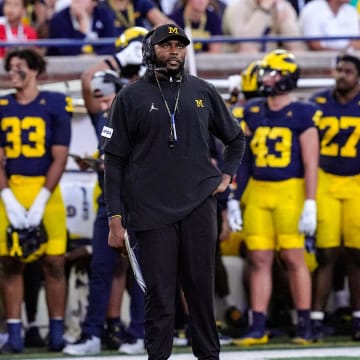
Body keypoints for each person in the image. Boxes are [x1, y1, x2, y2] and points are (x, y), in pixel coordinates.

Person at [100, 23, 246, 359]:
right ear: (150, 50)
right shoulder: (129, 97)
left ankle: (209, 357)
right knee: (160, 296)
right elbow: (115, 161)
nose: (175, 51)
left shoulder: (203, 90)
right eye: (167, 45)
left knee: (200, 293)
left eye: (180, 45)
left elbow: (236, 139)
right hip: (150, 210)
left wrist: (225, 175)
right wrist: (115, 218)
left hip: (198, 205)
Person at [62, 27, 148, 356]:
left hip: (141, 199)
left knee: (142, 269)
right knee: (101, 268)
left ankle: (141, 331)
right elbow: (88, 78)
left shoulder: (149, 103)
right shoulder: (106, 108)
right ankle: (92, 335)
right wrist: (116, 60)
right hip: (109, 199)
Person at [231, 49, 320, 346]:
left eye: (272, 72)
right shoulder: (253, 110)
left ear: (287, 78)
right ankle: (258, 326)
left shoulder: (304, 112)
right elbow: (243, 159)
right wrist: (234, 197)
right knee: (258, 258)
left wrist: (310, 201)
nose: (265, 77)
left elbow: (310, 162)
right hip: (259, 189)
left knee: (294, 258)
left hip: (290, 190)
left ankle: (304, 324)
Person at [0, 48, 73, 353]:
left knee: (55, 262)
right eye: (10, 67)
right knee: (9, 262)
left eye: (19, 67)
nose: (13, 73)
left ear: (34, 70)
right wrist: (7, 196)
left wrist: (42, 197)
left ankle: (56, 331)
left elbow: (60, 155)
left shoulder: (54, 103)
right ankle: (14, 333)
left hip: (47, 190)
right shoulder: (2, 105)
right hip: (12, 188)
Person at [308, 54, 360, 341]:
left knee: (357, 254)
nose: (341, 75)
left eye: (348, 71)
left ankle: (357, 318)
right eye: (338, 70)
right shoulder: (317, 103)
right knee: (325, 254)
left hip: (356, 182)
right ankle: (316, 318)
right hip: (325, 180)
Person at [222, 0, 305, 53]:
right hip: (239, 58)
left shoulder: (282, 5)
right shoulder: (237, 8)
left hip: (272, 58)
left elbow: (295, 42)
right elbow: (245, 43)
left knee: (297, 51)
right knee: (248, 51)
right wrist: (264, 10)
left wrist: (284, 20)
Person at [47, 0, 116, 56]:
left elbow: (111, 45)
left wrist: (95, 55)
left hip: (97, 62)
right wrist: (82, 28)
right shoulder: (59, 19)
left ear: (94, 2)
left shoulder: (104, 14)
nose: (77, 1)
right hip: (64, 67)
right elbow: (65, 51)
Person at [103, 0, 171, 37]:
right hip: (109, 50)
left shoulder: (140, 2)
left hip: (139, 48)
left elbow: (166, 23)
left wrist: (154, 33)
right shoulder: (100, 7)